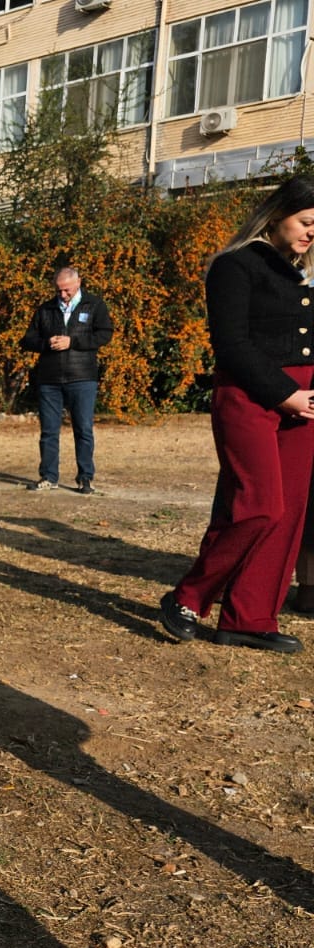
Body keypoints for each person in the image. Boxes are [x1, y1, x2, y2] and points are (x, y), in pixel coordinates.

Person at [160, 177, 314, 653]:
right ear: (277, 214)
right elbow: (230, 344)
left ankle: (249, 619)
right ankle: (187, 597)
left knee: (287, 515)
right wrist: (285, 393)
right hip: (252, 395)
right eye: (306, 222)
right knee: (260, 505)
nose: (312, 233)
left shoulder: (300, 271)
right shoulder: (235, 265)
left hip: (306, 402)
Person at [21, 267, 113, 494]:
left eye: (67, 290)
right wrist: (45, 343)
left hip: (82, 377)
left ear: (78, 282)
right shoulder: (45, 309)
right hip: (49, 380)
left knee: (83, 429)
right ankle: (49, 477)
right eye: (59, 290)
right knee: (49, 431)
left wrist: (73, 342)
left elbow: (105, 334)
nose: (62, 295)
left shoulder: (95, 305)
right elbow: (27, 340)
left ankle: (85, 478)